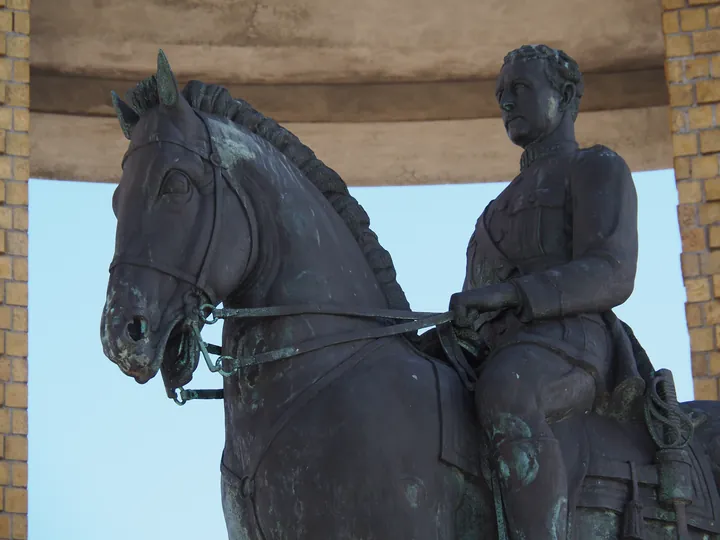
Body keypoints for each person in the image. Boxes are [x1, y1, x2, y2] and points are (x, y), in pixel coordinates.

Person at [448, 44, 639, 540]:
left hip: (571, 343)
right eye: (500, 95)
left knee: (509, 390)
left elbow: (612, 271)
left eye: (519, 89)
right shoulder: (492, 211)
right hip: (498, 349)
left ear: (567, 95)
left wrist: (513, 296)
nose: (506, 103)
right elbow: (476, 299)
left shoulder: (597, 167)